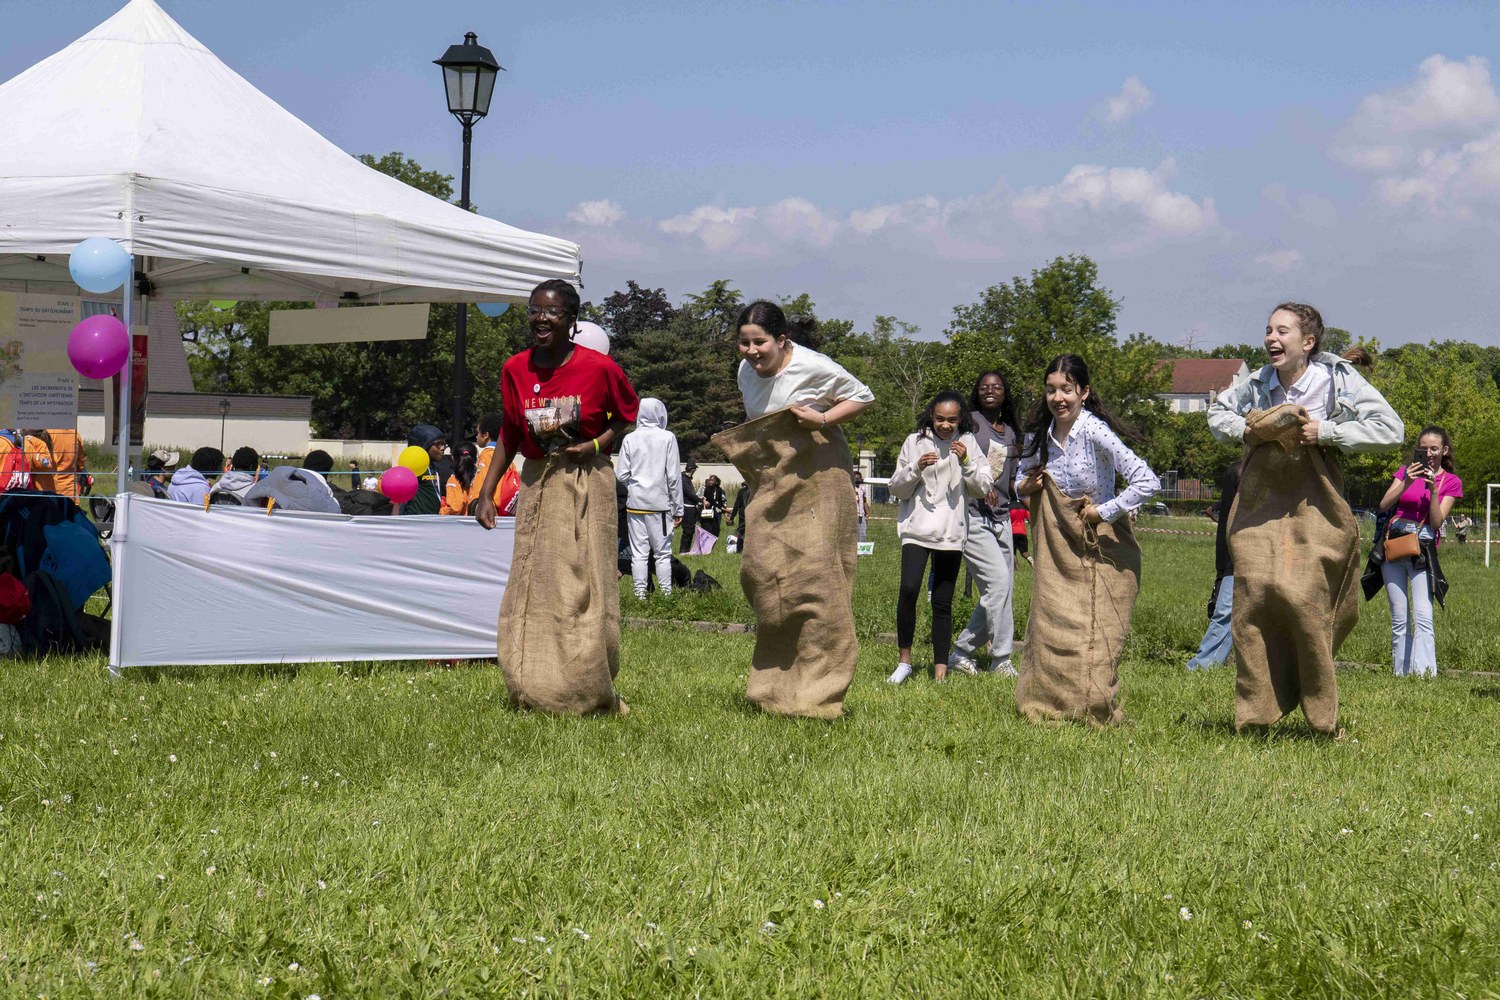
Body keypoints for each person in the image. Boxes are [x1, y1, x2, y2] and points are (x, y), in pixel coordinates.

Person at [1208, 302, 1402, 736]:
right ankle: (1256, 713)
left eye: (1282, 331)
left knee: (1304, 598)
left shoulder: (1337, 379)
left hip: (1316, 499)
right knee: (1255, 596)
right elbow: (1217, 416)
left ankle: (1319, 713)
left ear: (1308, 341)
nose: (1271, 338)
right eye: (1268, 330)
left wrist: (1327, 432)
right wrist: (1249, 430)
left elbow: (1392, 430)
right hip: (1261, 500)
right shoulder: (1256, 382)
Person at [473, 278, 640, 716]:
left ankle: (587, 685)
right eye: (535, 310)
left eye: (552, 312)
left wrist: (596, 444)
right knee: (536, 582)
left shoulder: (599, 368)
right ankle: (535, 683)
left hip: (588, 479)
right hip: (538, 483)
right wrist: (487, 492)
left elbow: (625, 415)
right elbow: (510, 432)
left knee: (586, 583)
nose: (541, 319)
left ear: (571, 320)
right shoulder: (515, 369)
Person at [710, 300, 874, 719]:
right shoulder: (745, 371)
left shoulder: (812, 365)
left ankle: (818, 692)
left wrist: (824, 419)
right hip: (773, 480)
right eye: (743, 342)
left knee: (817, 578)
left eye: (759, 342)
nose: (751, 351)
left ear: (782, 340)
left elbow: (863, 396)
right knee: (763, 572)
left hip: (818, 477)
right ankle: (776, 686)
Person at [1014, 354, 1159, 726]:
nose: (1058, 398)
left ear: (1084, 392)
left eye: (1066, 389)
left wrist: (1104, 511)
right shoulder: (1038, 435)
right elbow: (1017, 481)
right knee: (1056, 621)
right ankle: (1052, 702)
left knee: (1101, 625)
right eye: (1051, 390)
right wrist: (1025, 486)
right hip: (1057, 545)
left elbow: (1148, 481)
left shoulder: (1095, 431)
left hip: (1103, 544)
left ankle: (1094, 703)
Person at [887, 391, 990, 684]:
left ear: (961, 419)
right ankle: (904, 662)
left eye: (952, 420)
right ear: (931, 416)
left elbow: (982, 487)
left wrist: (966, 460)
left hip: (950, 531)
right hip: (917, 530)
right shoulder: (914, 441)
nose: (945, 425)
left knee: (942, 601)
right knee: (908, 590)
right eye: (940, 419)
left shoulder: (968, 442)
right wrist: (916, 467)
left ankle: (940, 670)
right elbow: (896, 488)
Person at [949, 370, 1023, 678]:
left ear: (1005, 394)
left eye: (996, 387)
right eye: (984, 387)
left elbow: (1014, 482)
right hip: (973, 516)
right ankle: (1001, 660)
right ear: (976, 393)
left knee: (1001, 591)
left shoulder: (1011, 434)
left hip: (1002, 519)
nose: (990, 391)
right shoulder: (969, 424)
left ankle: (961, 653)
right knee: (998, 585)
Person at [1375, 426, 1461, 678]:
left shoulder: (1451, 481)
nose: (1429, 453)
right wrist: (1408, 482)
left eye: (1434, 448)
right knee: (1399, 615)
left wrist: (1433, 490)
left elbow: (1436, 522)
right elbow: (1384, 505)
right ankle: (1401, 673)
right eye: (1424, 449)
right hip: (1394, 542)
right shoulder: (1405, 472)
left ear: (1444, 450)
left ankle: (1423, 674)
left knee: (1423, 614)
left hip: (1422, 547)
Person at [615, 398, 683, 599]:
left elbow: (621, 475)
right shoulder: (667, 437)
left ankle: (640, 596)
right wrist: (678, 508)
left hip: (635, 504)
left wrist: (635, 486)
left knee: (638, 554)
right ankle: (666, 595)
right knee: (662, 553)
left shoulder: (629, 438)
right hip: (659, 505)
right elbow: (673, 476)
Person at [1186, 460, 1241, 670]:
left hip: (1245, 557)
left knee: (1227, 612)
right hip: (1235, 558)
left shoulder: (1242, 472)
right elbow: (1224, 521)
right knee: (1226, 612)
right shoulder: (1238, 472)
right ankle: (1204, 665)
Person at [401, 425, 446, 516]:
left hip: (433, 519)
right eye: (438, 444)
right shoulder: (414, 467)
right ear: (424, 446)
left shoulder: (434, 466)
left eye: (443, 444)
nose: (442, 448)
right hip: (415, 519)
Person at [442, 442, 480, 515]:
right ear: (476, 458)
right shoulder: (482, 475)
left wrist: (441, 512)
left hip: (464, 520)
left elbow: (455, 508)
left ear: (453, 458)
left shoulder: (454, 479)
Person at [678, 461, 701, 552]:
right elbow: (689, 494)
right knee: (687, 530)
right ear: (692, 470)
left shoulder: (687, 479)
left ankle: (687, 549)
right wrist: (700, 500)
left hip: (691, 507)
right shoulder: (684, 479)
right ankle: (683, 550)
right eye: (694, 469)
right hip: (687, 507)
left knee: (691, 530)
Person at [700, 475, 727, 540]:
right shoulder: (707, 489)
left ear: (716, 482)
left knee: (716, 530)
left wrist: (724, 510)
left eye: (712, 480)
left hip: (715, 512)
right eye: (710, 480)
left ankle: (712, 542)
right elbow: (711, 500)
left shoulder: (719, 490)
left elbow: (720, 501)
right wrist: (720, 507)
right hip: (707, 511)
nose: (710, 482)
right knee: (707, 529)